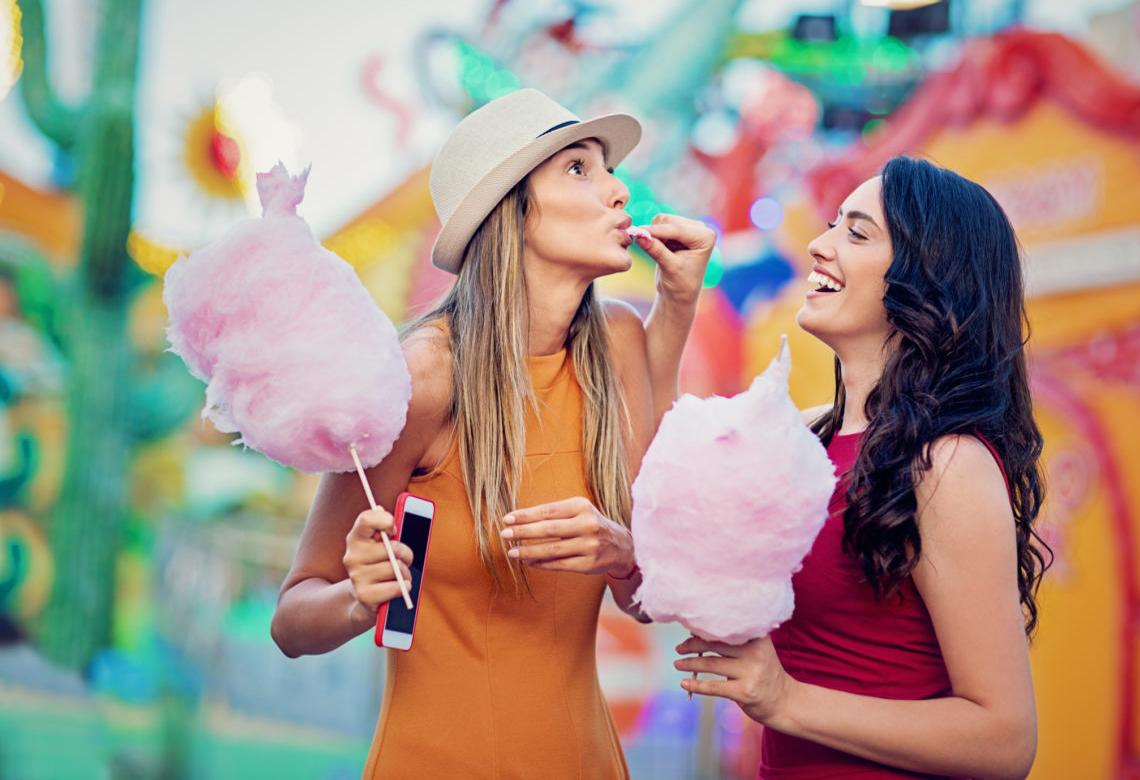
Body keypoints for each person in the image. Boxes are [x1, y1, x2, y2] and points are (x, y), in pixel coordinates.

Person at [270, 88, 713, 778]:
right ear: (511, 210)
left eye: (608, 168)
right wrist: (358, 597)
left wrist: (622, 552)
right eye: (578, 169)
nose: (619, 190)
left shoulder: (620, 342)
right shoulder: (422, 378)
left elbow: (644, 599)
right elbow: (293, 621)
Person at [674, 156, 1050, 780]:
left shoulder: (946, 462)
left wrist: (787, 700)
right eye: (831, 225)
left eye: (856, 232)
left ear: (925, 276)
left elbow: (1005, 741)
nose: (819, 246)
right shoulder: (803, 434)